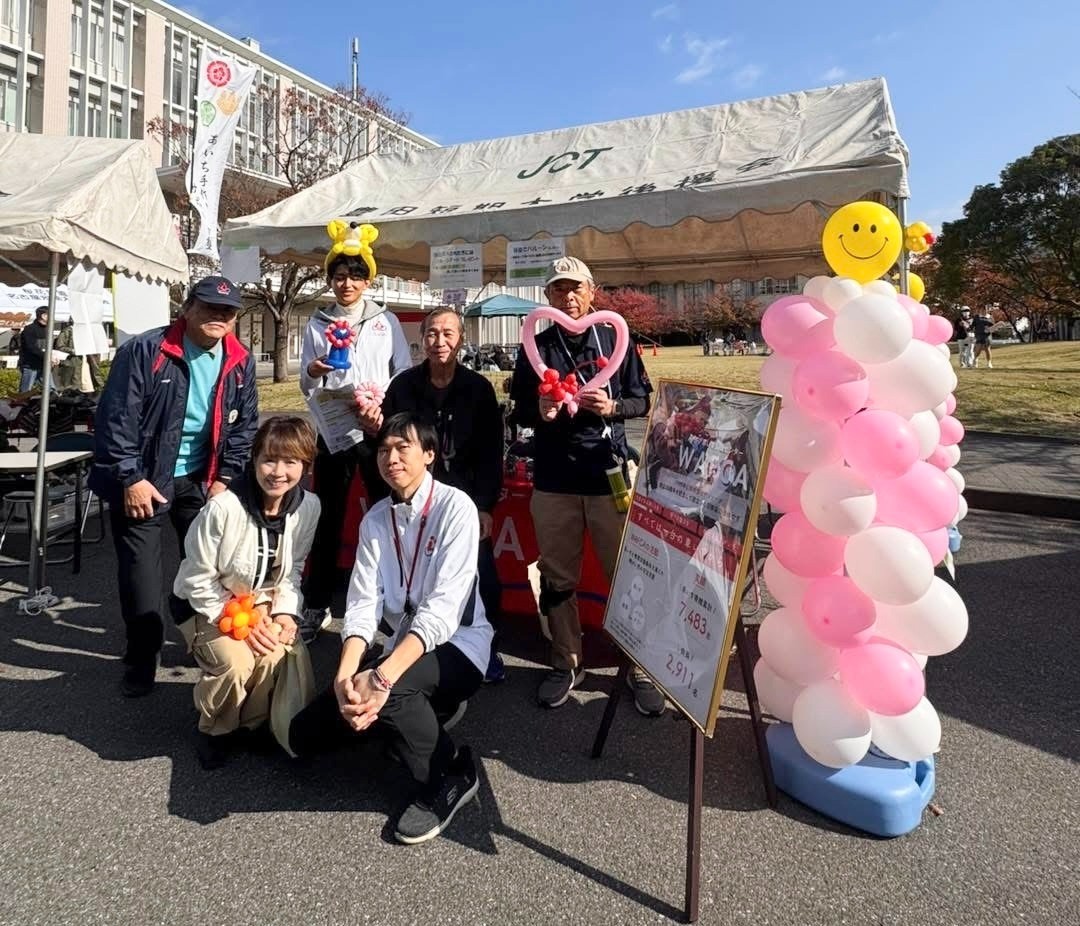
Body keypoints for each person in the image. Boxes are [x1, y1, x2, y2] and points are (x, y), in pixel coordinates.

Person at [290, 413, 492, 844]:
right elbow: (362, 606)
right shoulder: (376, 519)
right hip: (405, 647)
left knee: (392, 690)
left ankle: (450, 773)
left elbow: (441, 612)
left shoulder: (457, 509)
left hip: (460, 644)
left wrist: (381, 677)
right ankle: (425, 710)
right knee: (303, 735)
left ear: (430, 455)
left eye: (404, 447)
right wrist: (345, 678)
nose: (391, 457)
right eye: (384, 449)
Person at [509, 256, 665, 716]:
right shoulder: (535, 345)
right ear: (547, 297)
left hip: (608, 474)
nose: (569, 297)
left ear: (593, 292)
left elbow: (643, 400)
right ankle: (566, 662)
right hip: (554, 478)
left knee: (627, 577)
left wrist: (613, 406)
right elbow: (516, 408)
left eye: (576, 288)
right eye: (559, 289)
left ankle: (637, 669)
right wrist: (540, 410)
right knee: (557, 579)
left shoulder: (617, 338)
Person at [89, 275, 258, 698]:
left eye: (228, 311)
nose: (219, 316)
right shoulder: (147, 350)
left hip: (201, 481)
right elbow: (116, 420)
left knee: (204, 573)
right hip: (144, 480)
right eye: (209, 307)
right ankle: (142, 659)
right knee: (142, 579)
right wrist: (130, 476)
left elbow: (245, 427)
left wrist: (225, 479)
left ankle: (197, 641)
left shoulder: (240, 359)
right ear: (187, 308)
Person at [170, 417, 321, 768]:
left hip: (260, 601)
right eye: (269, 459)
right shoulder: (223, 508)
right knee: (236, 662)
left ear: (306, 467)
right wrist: (238, 620)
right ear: (253, 460)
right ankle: (216, 729)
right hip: (206, 602)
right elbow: (195, 578)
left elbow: (293, 570)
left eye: (291, 462)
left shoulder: (309, 507)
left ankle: (251, 725)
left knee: (273, 654)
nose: (278, 472)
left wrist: (284, 613)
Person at [298, 222, 411, 645]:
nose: (347, 284)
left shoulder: (386, 320)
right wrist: (312, 371)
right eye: (339, 276)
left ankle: (393, 600)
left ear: (368, 280)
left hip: (377, 432)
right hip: (332, 433)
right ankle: (316, 603)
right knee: (327, 518)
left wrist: (381, 407)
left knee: (389, 514)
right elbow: (305, 383)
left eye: (355, 276)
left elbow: (400, 371)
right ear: (330, 279)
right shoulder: (317, 321)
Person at [383, 307, 507, 683]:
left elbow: (491, 452)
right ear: (422, 339)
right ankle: (411, 643)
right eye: (433, 334)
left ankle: (485, 648)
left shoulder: (478, 389)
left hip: (466, 498)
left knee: (480, 575)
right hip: (415, 496)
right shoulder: (403, 386)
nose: (440, 342)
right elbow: (390, 444)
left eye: (449, 334)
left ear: (461, 340)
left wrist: (485, 505)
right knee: (414, 574)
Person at [17, 306, 54, 393]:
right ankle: (23, 405)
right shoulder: (30, 329)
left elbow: (51, 347)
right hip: (30, 365)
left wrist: (54, 357)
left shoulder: (49, 329)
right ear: (44, 316)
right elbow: (31, 348)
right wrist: (48, 357)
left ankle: (48, 405)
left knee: (51, 390)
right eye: (51, 314)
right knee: (25, 392)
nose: (53, 317)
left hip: (44, 365)